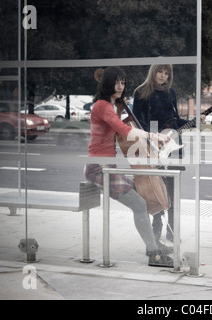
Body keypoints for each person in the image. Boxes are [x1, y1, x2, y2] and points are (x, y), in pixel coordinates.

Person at [84, 66, 173, 267]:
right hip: (98, 168)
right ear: (107, 83)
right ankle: (153, 253)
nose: (120, 86)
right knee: (139, 204)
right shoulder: (102, 106)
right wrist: (152, 136)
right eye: (116, 82)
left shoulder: (112, 106)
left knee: (140, 196)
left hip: (107, 166)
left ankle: (153, 244)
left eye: (123, 82)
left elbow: (121, 127)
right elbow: (123, 129)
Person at [132, 64, 189, 242]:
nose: (163, 76)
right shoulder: (141, 92)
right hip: (153, 145)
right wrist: (155, 138)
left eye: (167, 73)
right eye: (160, 71)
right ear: (153, 71)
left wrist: (193, 122)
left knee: (172, 188)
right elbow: (137, 123)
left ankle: (172, 230)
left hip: (172, 145)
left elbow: (175, 120)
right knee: (156, 189)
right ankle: (157, 227)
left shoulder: (170, 92)